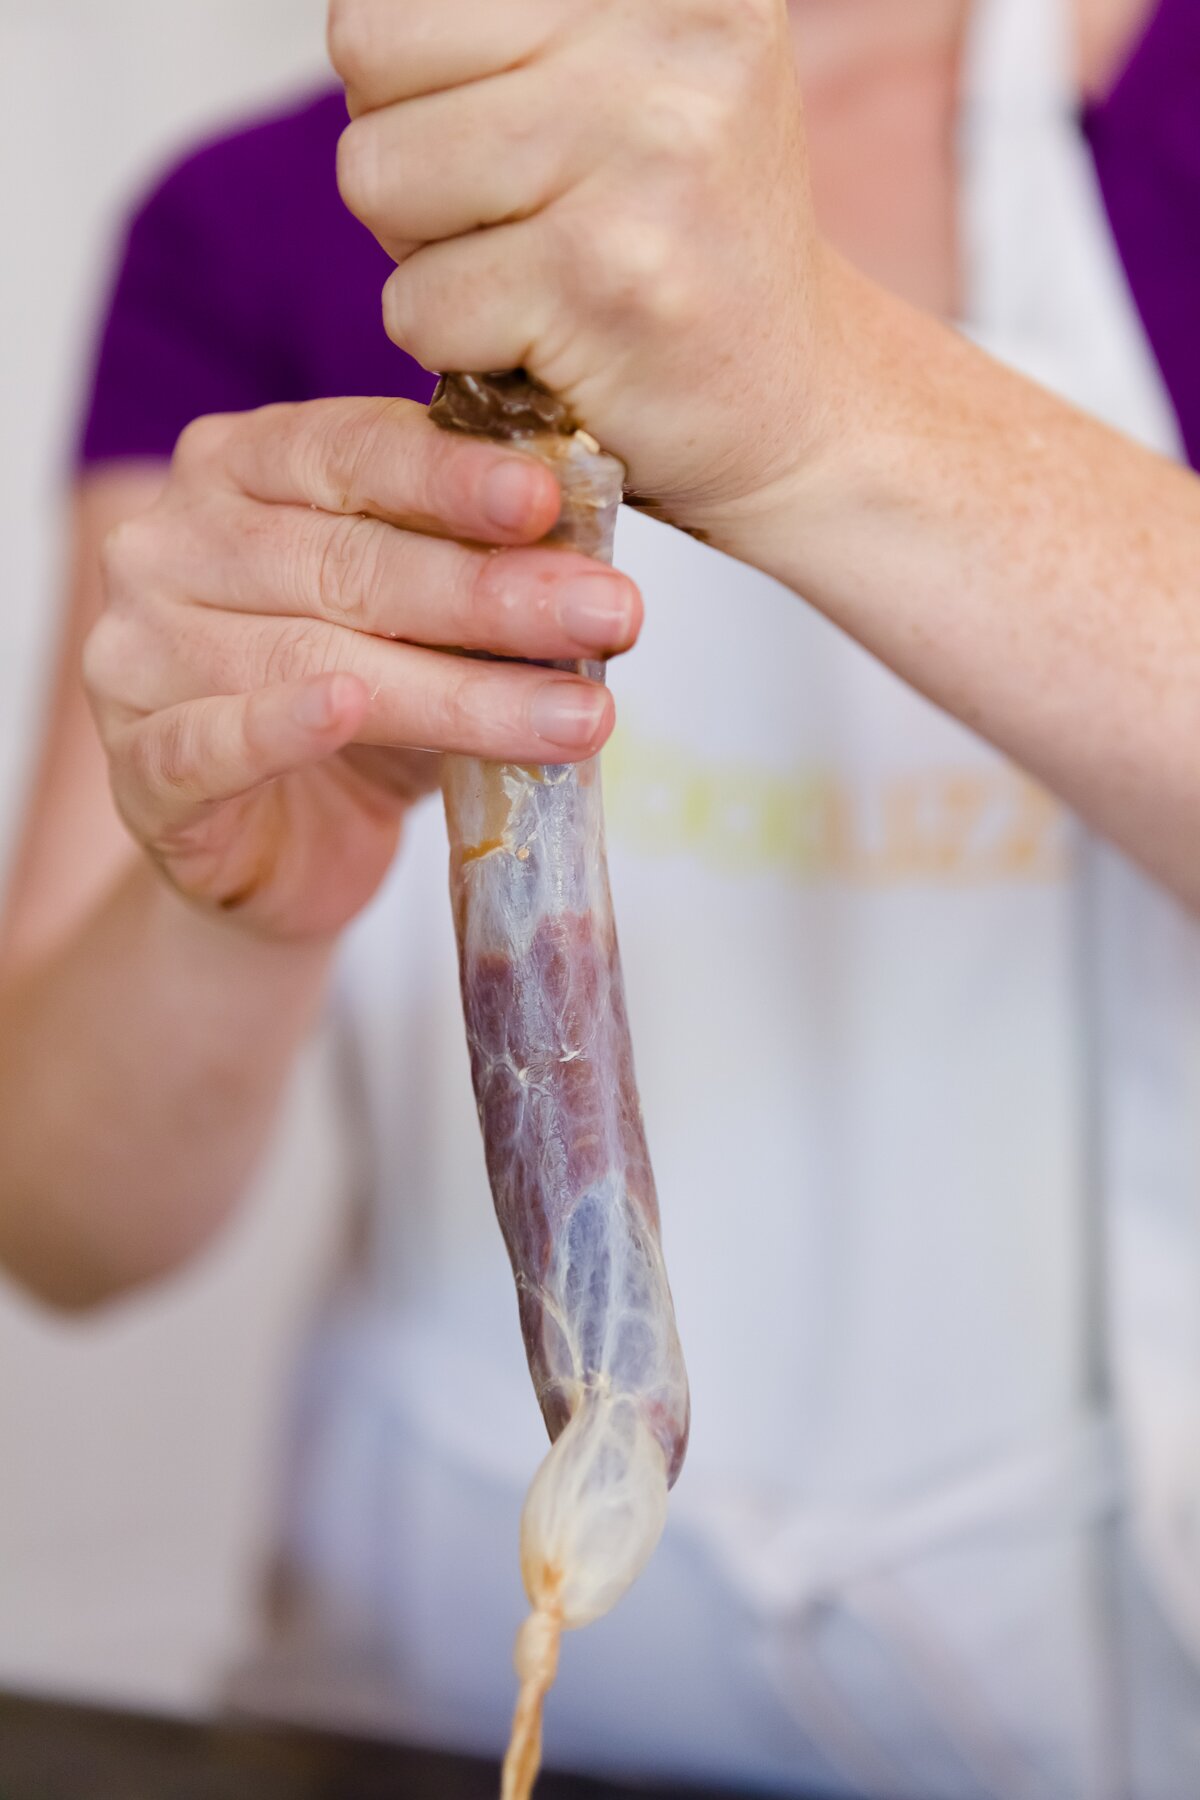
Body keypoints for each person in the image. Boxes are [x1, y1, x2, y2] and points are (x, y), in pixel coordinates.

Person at [4, 0, 1200, 1792]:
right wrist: (227, 909)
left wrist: (818, 395)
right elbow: (59, 1220)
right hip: (422, 1698)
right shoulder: (286, 217)